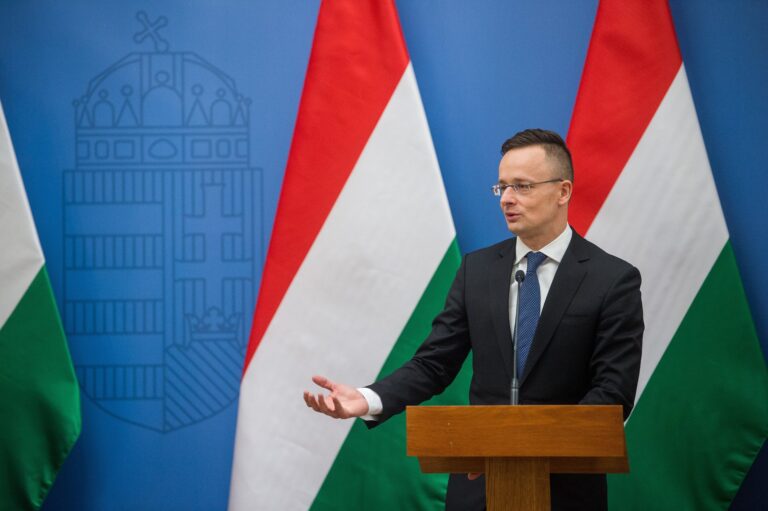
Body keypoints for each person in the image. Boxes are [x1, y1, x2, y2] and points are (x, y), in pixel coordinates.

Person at [303, 128, 643, 511]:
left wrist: (516, 446)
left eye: (522, 186)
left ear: (562, 191)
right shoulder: (477, 270)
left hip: (566, 491)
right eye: (502, 187)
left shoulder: (612, 279)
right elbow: (434, 364)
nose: (507, 199)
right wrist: (368, 398)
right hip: (478, 489)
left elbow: (613, 392)